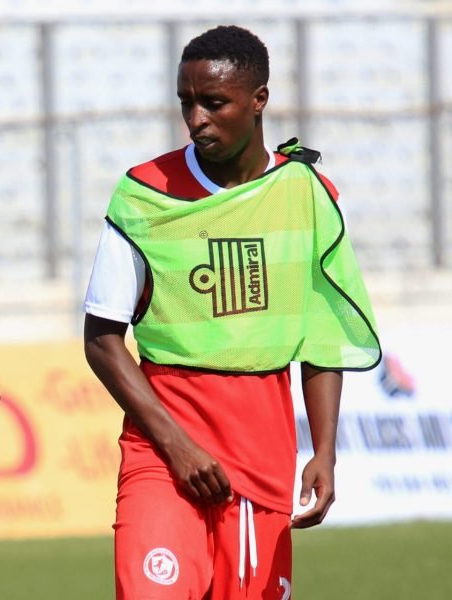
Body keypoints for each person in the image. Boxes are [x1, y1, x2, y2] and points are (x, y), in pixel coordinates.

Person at [82, 25, 381, 599]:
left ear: (258, 100)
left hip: (261, 453)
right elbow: (101, 340)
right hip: (161, 452)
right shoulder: (144, 194)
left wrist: (324, 450)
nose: (196, 119)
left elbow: (322, 337)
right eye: (186, 102)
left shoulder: (307, 193)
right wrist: (176, 444)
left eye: (213, 103)